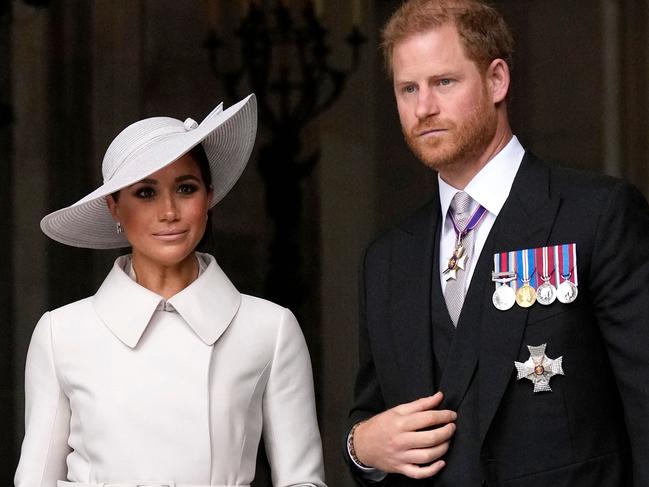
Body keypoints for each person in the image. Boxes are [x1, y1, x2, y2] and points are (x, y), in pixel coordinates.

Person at [345, 1, 649, 486]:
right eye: (408, 89)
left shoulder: (597, 216)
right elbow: (372, 418)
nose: (423, 107)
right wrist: (360, 448)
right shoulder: (386, 259)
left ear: (497, 80)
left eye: (444, 82)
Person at [15, 94, 327, 487]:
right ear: (114, 207)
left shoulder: (270, 328)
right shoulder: (61, 334)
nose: (169, 212)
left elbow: (303, 481)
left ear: (209, 196)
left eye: (185, 188)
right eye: (145, 193)